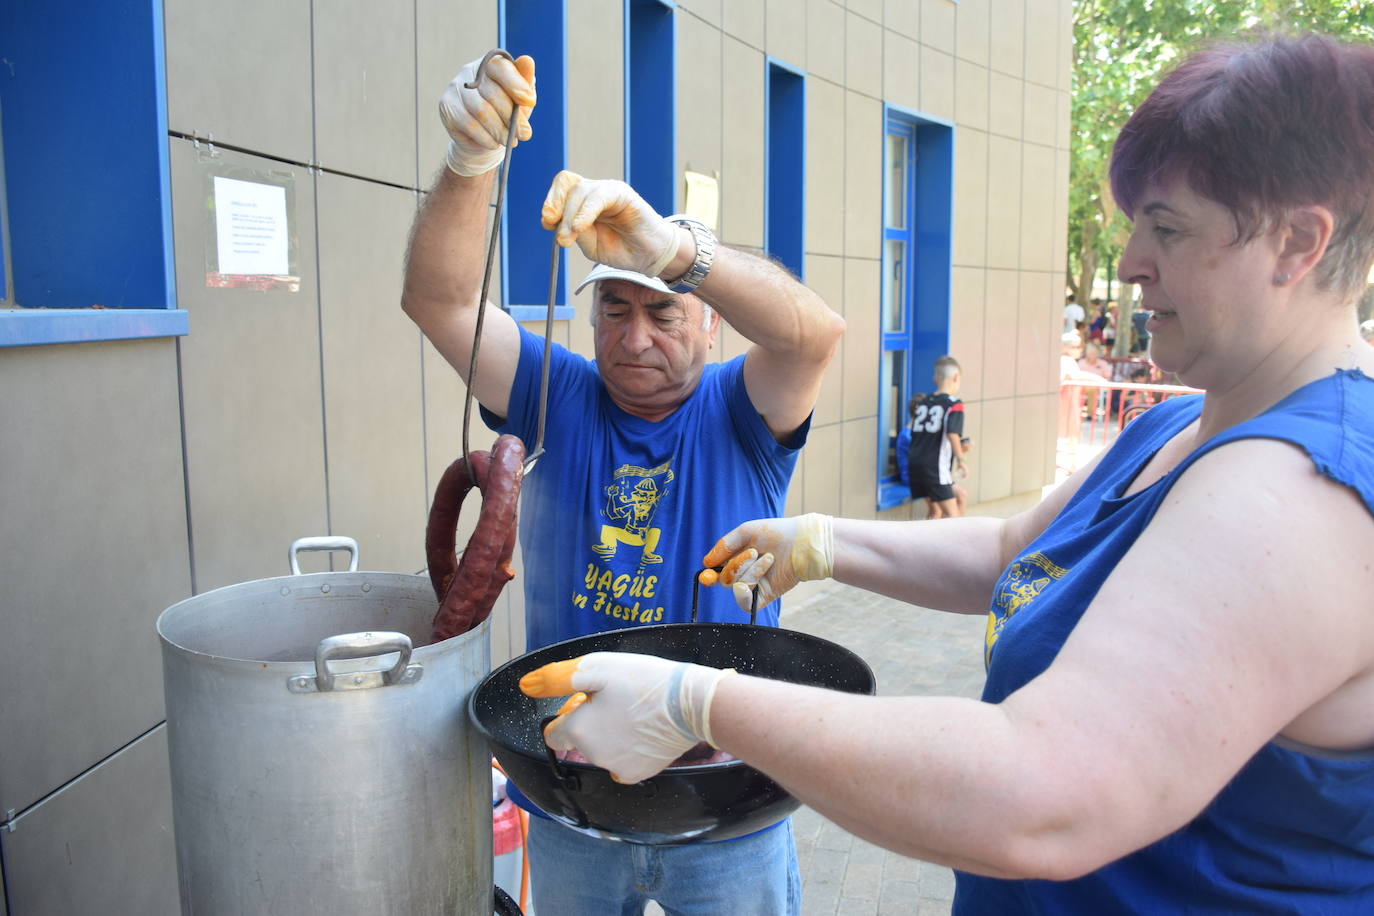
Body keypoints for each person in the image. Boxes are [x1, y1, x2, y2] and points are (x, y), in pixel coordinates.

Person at [518, 33, 1374, 912]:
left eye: (1168, 227)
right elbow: (1010, 552)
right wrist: (819, 543)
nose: (1127, 264)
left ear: (1294, 243)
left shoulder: (1303, 493)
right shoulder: (1179, 422)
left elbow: (1043, 796)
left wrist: (695, 703)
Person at [401, 51, 845, 916]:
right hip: (575, 799)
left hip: (725, 805)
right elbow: (440, 301)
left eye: (663, 311)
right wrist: (469, 165)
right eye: (615, 309)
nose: (636, 337)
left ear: (710, 325)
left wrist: (674, 252)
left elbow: (812, 337)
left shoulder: (740, 410)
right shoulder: (555, 394)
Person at [905, 356, 969, 519]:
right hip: (935, 468)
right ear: (956, 378)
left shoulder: (923, 402)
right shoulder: (954, 404)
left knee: (936, 512)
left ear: (935, 378)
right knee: (952, 516)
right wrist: (961, 460)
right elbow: (952, 434)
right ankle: (955, 545)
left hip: (915, 464)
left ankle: (922, 544)